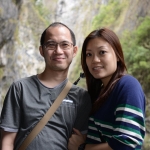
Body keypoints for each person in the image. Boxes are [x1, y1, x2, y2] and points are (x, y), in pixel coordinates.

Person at [0, 22, 91, 150]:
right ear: (41, 50)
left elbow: (80, 140)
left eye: (65, 45)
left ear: (74, 50)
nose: (58, 51)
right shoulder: (20, 88)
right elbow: (7, 141)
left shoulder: (82, 97)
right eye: (51, 45)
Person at [68, 28, 146, 150]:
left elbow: (127, 144)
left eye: (102, 52)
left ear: (118, 55)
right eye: (89, 54)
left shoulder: (128, 85)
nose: (95, 60)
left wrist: (82, 147)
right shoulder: (98, 93)